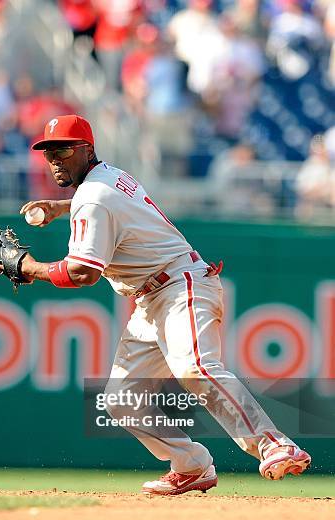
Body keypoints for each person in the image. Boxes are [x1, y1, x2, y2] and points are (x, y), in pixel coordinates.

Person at [19, 114, 311, 496]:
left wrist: (28, 268)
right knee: (121, 401)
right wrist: (62, 208)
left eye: (63, 149)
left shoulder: (93, 197)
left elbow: (83, 273)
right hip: (151, 297)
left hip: (178, 284)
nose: (54, 158)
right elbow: (103, 202)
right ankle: (191, 466)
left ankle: (275, 444)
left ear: (86, 150)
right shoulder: (108, 176)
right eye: (48, 151)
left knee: (195, 368)